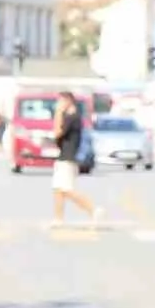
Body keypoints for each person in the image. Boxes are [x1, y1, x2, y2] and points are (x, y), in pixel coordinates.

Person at [51, 92, 103, 226]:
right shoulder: (72, 117)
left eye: (61, 102)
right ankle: (58, 219)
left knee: (66, 190)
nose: (59, 105)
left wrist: (58, 113)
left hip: (68, 157)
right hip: (64, 156)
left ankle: (93, 209)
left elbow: (57, 132)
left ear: (68, 101)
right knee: (58, 190)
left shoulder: (72, 117)